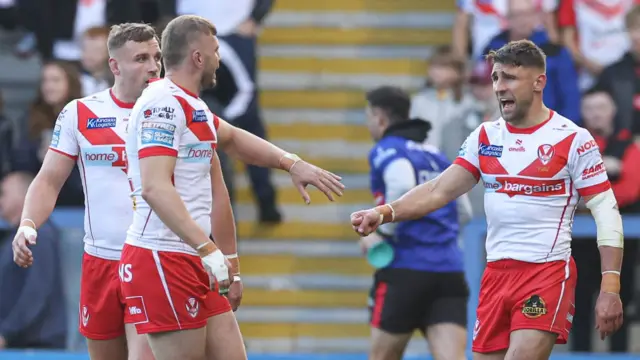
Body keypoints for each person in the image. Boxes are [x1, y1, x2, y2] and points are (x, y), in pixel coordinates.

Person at [350, 39, 624, 360]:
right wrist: (384, 212)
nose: (499, 86)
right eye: (495, 78)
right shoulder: (485, 137)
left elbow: (606, 210)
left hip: (545, 273)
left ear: (539, 82)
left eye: (509, 77)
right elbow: (439, 190)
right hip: (495, 276)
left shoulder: (572, 139)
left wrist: (611, 288)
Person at [120, 14, 345, 360]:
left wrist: (291, 163)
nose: (219, 59)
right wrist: (209, 251)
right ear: (198, 57)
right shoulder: (161, 104)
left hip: (195, 257)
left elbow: (232, 140)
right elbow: (154, 188)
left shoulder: (192, 106)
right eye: (215, 50)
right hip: (163, 257)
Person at [11, 23, 162, 360]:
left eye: (157, 57)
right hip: (99, 260)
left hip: (152, 258)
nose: (153, 66)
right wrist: (28, 223)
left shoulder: (174, 110)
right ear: (114, 65)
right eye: (141, 58)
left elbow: (226, 146)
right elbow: (49, 178)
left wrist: (287, 161)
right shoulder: (80, 113)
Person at [363, 86, 471, 360]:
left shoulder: (387, 148)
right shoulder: (436, 155)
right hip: (448, 271)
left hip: (405, 270)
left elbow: (400, 182)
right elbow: (464, 209)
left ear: (380, 118)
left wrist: (383, 232)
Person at [0, 172, 67, 350]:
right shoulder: (15, 237)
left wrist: (5, 333)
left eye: (3, 193)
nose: (0, 200)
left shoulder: (39, 234)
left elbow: (36, 292)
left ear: (23, 195)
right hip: (19, 344)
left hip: (39, 346)